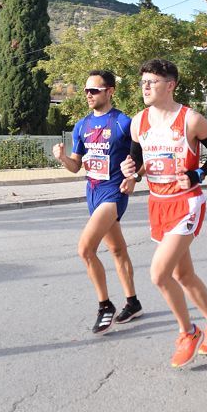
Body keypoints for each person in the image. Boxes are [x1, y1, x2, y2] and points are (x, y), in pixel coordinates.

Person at [121, 59, 207, 368]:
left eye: (152, 81)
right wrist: (130, 175)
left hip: (186, 203)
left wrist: (198, 174)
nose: (145, 86)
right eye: (143, 81)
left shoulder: (190, 120)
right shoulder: (138, 122)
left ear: (171, 85)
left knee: (159, 274)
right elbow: (136, 163)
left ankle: (187, 332)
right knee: (183, 274)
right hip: (157, 204)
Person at [53, 71, 141, 334]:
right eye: (86, 91)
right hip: (92, 192)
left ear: (110, 91)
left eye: (95, 90)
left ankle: (105, 306)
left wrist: (134, 177)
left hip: (114, 192)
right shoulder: (81, 126)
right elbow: (75, 166)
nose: (89, 95)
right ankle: (133, 302)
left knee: (85, 249)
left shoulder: (125, 123)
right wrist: (61, 158)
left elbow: (142, 157)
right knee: (117, 250)